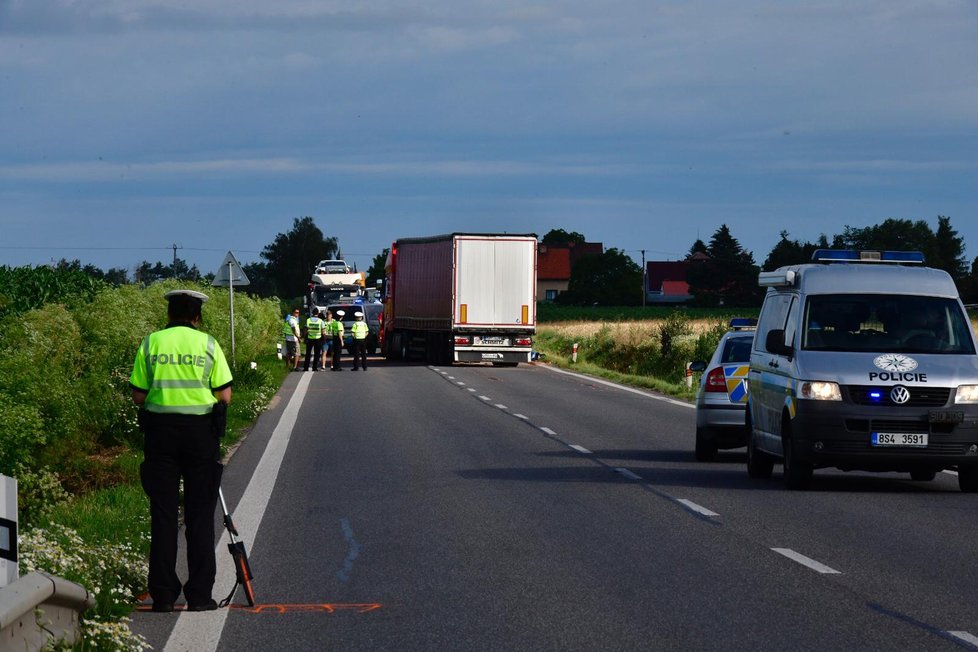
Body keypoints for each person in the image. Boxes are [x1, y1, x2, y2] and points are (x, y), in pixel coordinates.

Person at [129, 289, 233, 613]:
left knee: (162, 516)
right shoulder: (208, 345)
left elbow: (138, 396)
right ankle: (200, 595)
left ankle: (163, 595)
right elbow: (225, 395)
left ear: (169, 314)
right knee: (200, 516)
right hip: (200, 435)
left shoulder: (151, 344)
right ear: (196, 316)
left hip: (160, 437)